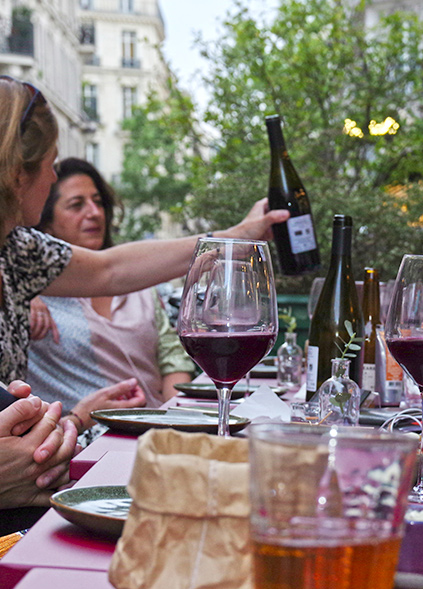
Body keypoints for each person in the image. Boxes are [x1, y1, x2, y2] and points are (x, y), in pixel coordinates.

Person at [0, 76, 287, 509]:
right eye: (52, 163)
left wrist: (236, 237)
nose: (55, 176)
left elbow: (111, 269)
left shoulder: (15, 250)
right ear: (18, 173)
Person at [27, 158, 196, 429]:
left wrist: (174, 422)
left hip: (155, 436)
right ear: (45, 224)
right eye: (76, 205)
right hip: (77, 449)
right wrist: (24, 293)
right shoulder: (32, 295)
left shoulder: (137, 282)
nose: (94, 212)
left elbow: (171, 356)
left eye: (98, 201)